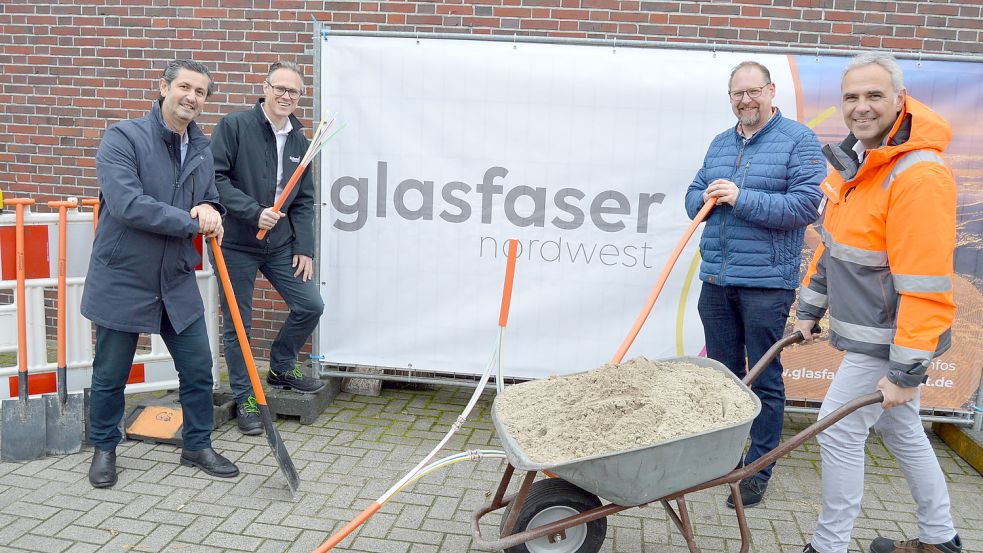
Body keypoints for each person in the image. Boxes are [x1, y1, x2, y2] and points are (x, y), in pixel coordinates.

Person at [797, 53, 961, 553]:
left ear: (899, 99)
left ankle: (829, 546)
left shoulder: (917, 175)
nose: (861, 107)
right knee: (903, 430)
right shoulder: (863, 164)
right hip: (878, 332)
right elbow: (835, 246)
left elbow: (925, 285)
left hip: (893, 339)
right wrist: (809, 309)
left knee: (837, 433)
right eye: (851, 97)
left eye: (873, 96)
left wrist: (906, 371)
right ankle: (940, 539)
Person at [81, 59, 239, 488]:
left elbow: (207, 198)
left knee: (198, 366)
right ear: (164, 87)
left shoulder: (202, 149)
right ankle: (104, 448)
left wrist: (213, 210)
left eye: (201, 92)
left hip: (174, 277)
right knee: (111, 372)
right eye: (185, 87)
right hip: (123, 275)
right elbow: (126, 204)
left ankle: (197, 445)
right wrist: (193, 221)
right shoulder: (123, 137)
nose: (192, 97)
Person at [685, 60, 825, 508]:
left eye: (753, 91)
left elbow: (805, 206)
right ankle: (721, 461)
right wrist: (704, 197)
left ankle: (758, 470)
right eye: (737, 94)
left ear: (771, 91)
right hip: (718, 279)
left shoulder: (798, 140)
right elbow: (691, 196)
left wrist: (741, 198)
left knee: (763, 378)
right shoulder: (720, 142)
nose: (745, 100)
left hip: (766, 284)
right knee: (723, 377)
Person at [211, 61, 325, 436]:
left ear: (299, 97)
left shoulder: (300, 141)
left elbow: (304, 199)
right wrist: (252, 212)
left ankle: (281, 365)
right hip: (237, 243)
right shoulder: (235, 126)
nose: (285, 96)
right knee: (238, 324)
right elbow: (215, 179)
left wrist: (304, 247)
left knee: (310, 304)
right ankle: (246, 395)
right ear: (265, 87)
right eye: (280, 88)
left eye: (293, 91)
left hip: (280, 245)